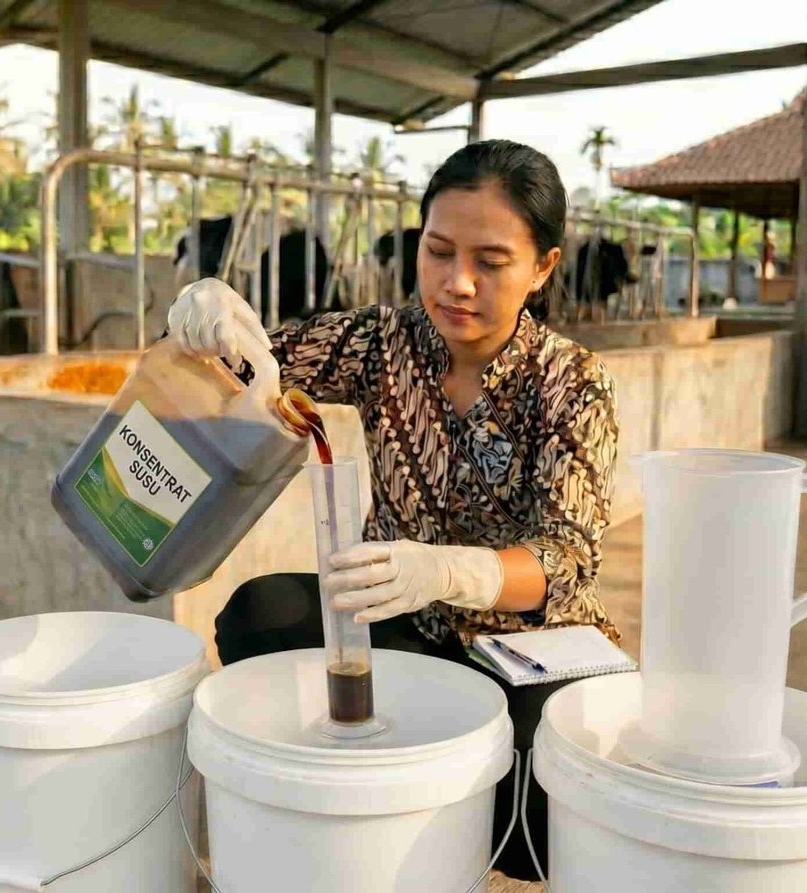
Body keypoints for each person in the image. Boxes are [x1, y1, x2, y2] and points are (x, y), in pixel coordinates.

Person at [166, 139, 619, 881]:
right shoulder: (385, 343)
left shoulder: (572, 381)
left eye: (491, 261)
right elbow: (252, 363)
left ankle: (440, 832)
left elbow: (567, 562)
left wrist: (450, 569)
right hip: (402, 627)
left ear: (542, 267)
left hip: (525, 649)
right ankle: (363, 809)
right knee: (262, 612)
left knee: (555, 783)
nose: (457, 283)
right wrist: (211, 318)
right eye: (438, 251)